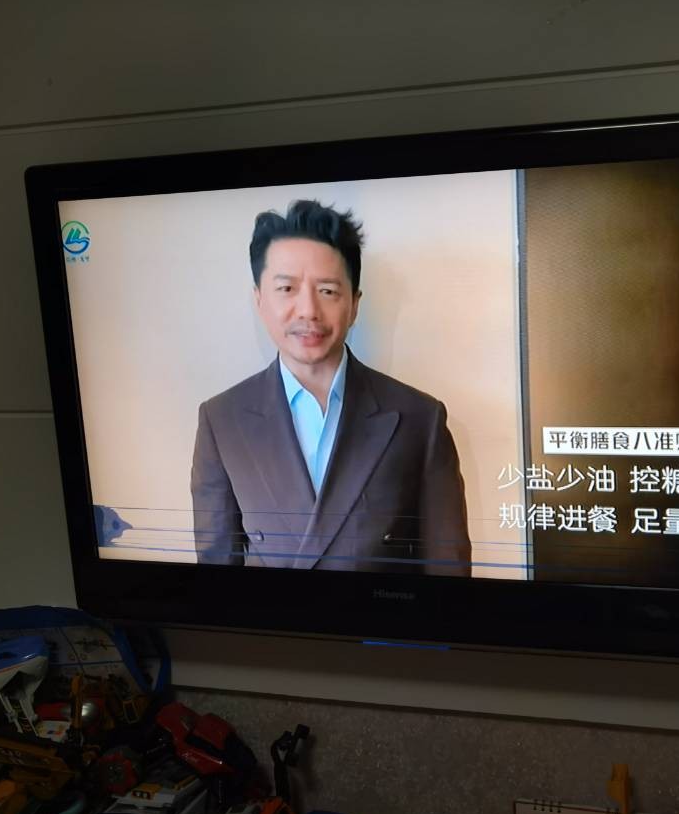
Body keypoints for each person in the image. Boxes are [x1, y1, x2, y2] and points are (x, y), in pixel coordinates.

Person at [191, 199, 471, 575]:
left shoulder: (420, 418)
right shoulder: (221, 420)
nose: (308, 310)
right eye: (286, 288)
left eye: (327, 291)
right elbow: (215, 572)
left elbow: (447, 571)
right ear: (259, 300)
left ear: (354, 304)